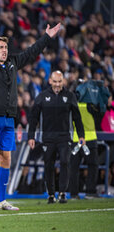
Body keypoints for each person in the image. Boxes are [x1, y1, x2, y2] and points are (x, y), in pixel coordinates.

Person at [0, 11, 61, 211]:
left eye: (6, 47)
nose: (4, 50)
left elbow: (31, 52)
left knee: (7, 157)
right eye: (0, 47)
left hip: (8, 119)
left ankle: (1, 200)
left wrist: (46, 37)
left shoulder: (13, 63)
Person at [28, 71, 85, 204]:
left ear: (63, 81)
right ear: (50, 81)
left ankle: (63, 193)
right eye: (55, 82)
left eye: (60, 82)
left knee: (65, 162)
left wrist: (81, 135)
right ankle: (51, 194)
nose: (57, 84)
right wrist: (31, 136)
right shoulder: (42, 96)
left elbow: (77, 118)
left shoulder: (70, 96)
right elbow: (33, 118)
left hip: (65, 137)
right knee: (48, 165)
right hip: (47, 138)